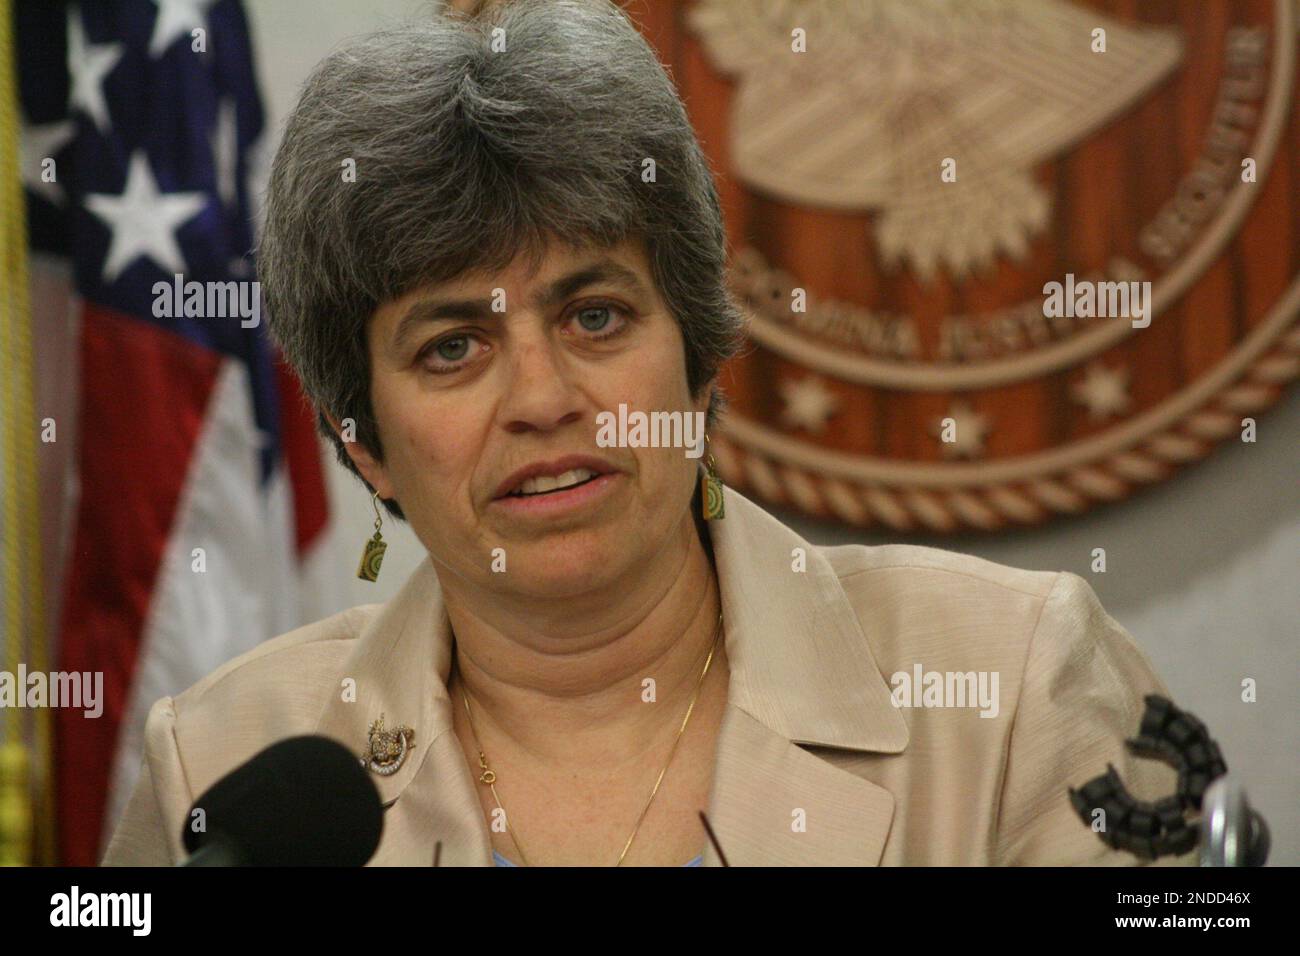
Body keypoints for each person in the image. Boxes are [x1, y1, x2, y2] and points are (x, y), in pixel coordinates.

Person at [102, 0, 1192, 867]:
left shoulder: (1007, 688)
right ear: (363, 441)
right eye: (450, 347)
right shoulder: (228, 759)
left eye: (594, 314)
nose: (543, 396)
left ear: (699, 359)